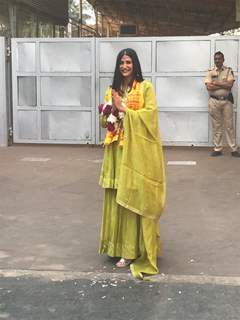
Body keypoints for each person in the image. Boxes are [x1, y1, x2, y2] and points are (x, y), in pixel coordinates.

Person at [98, 48, 166, 279]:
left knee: (131, 197)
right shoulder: (112, 90)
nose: (124, 66)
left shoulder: (145, 88)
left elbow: (151, 117)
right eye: (121, 62)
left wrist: (124, 109)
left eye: (128, 62)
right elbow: (102, 121)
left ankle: (131, 251)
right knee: (115, 196)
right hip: (115, 152)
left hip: (135, 153)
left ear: (135, 64)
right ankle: (115, 247)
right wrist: (109, 111)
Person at [205, 51, 240, 157]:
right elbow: (208, 87)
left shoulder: (228, 71)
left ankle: (233, 149)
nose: (217, 60)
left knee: (229, 126)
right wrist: (223, 84)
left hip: (226, 102)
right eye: (215, 59)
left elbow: (230, 85)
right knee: (216, 125)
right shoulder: (210, 72)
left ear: (223, 59)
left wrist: (216, 82)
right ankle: (217, 148)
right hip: (214, 101)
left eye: (219, 58)